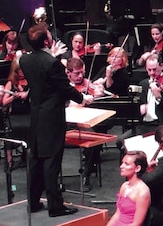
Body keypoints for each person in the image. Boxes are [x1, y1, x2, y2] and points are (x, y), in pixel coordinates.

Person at [19, 23, 94, 216]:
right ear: (46, 41)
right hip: (52, 117)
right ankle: (55, 206)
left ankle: (33, 202)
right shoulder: (51, 63)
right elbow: (64, 87)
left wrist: (51, 56)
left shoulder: (24, 60)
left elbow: (44, 76)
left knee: (35, 158)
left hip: (36, 114)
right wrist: (82, 98)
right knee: (51, 161)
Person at [106, 151, 151, 226]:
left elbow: (137, 223)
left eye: (126, 164)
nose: (121, 166)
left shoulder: (142, 192)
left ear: (137, 168)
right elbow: (118, 214)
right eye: (122, 163)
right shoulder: (124, 185)